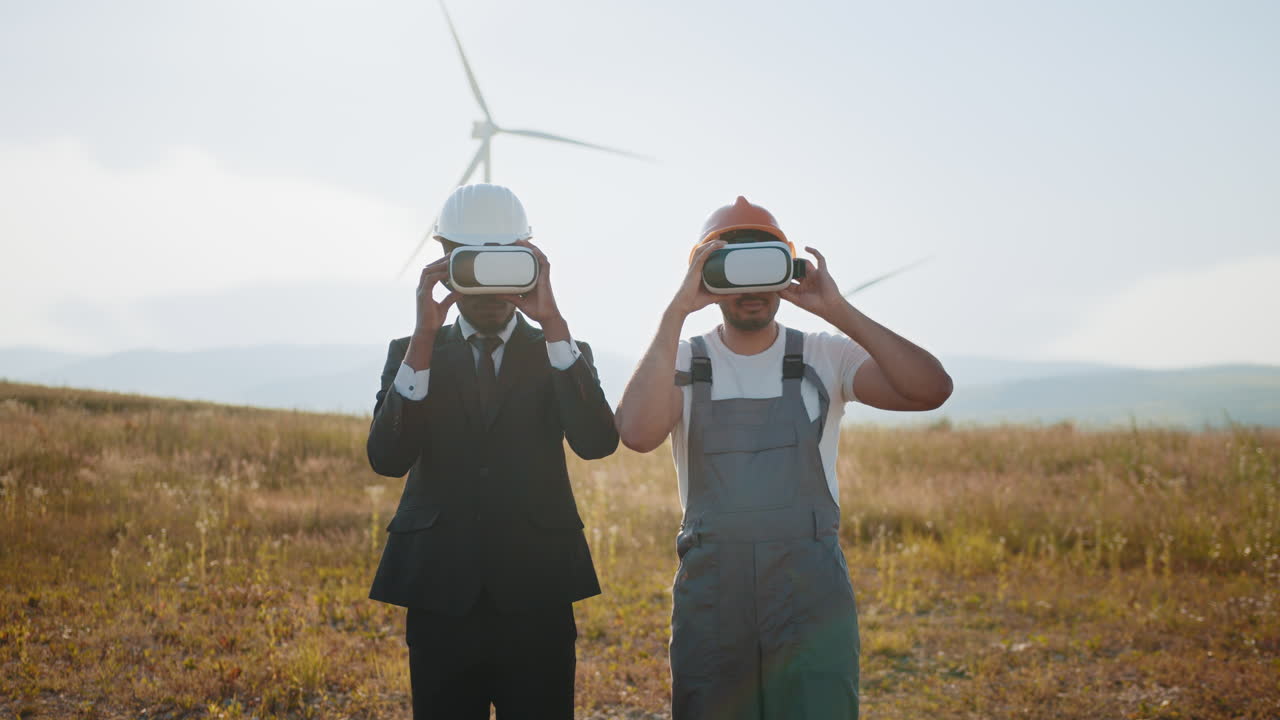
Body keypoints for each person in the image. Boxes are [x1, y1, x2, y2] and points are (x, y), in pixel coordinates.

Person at [614, 196, 952, 720]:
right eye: (732, 271)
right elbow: (636, 433)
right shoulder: (683, 360)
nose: (751, 291)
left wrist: (836, 309)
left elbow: (930, 389)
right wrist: (677, 311)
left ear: (787, 270)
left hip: (808, 588)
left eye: (765, 268)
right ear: (706, 277)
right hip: (714, 591)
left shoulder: (824, 354)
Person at [366, 183, 619, 719]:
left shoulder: (561, 351)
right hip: (440, 588)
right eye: (470, 265)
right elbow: (387, 457)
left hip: (538, 587)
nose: (486, 290)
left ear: (527, 260)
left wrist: (552, 322)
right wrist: (423, 338)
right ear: (443, 259)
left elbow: (596, 443)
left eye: (501, 266)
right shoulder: (412, 353)